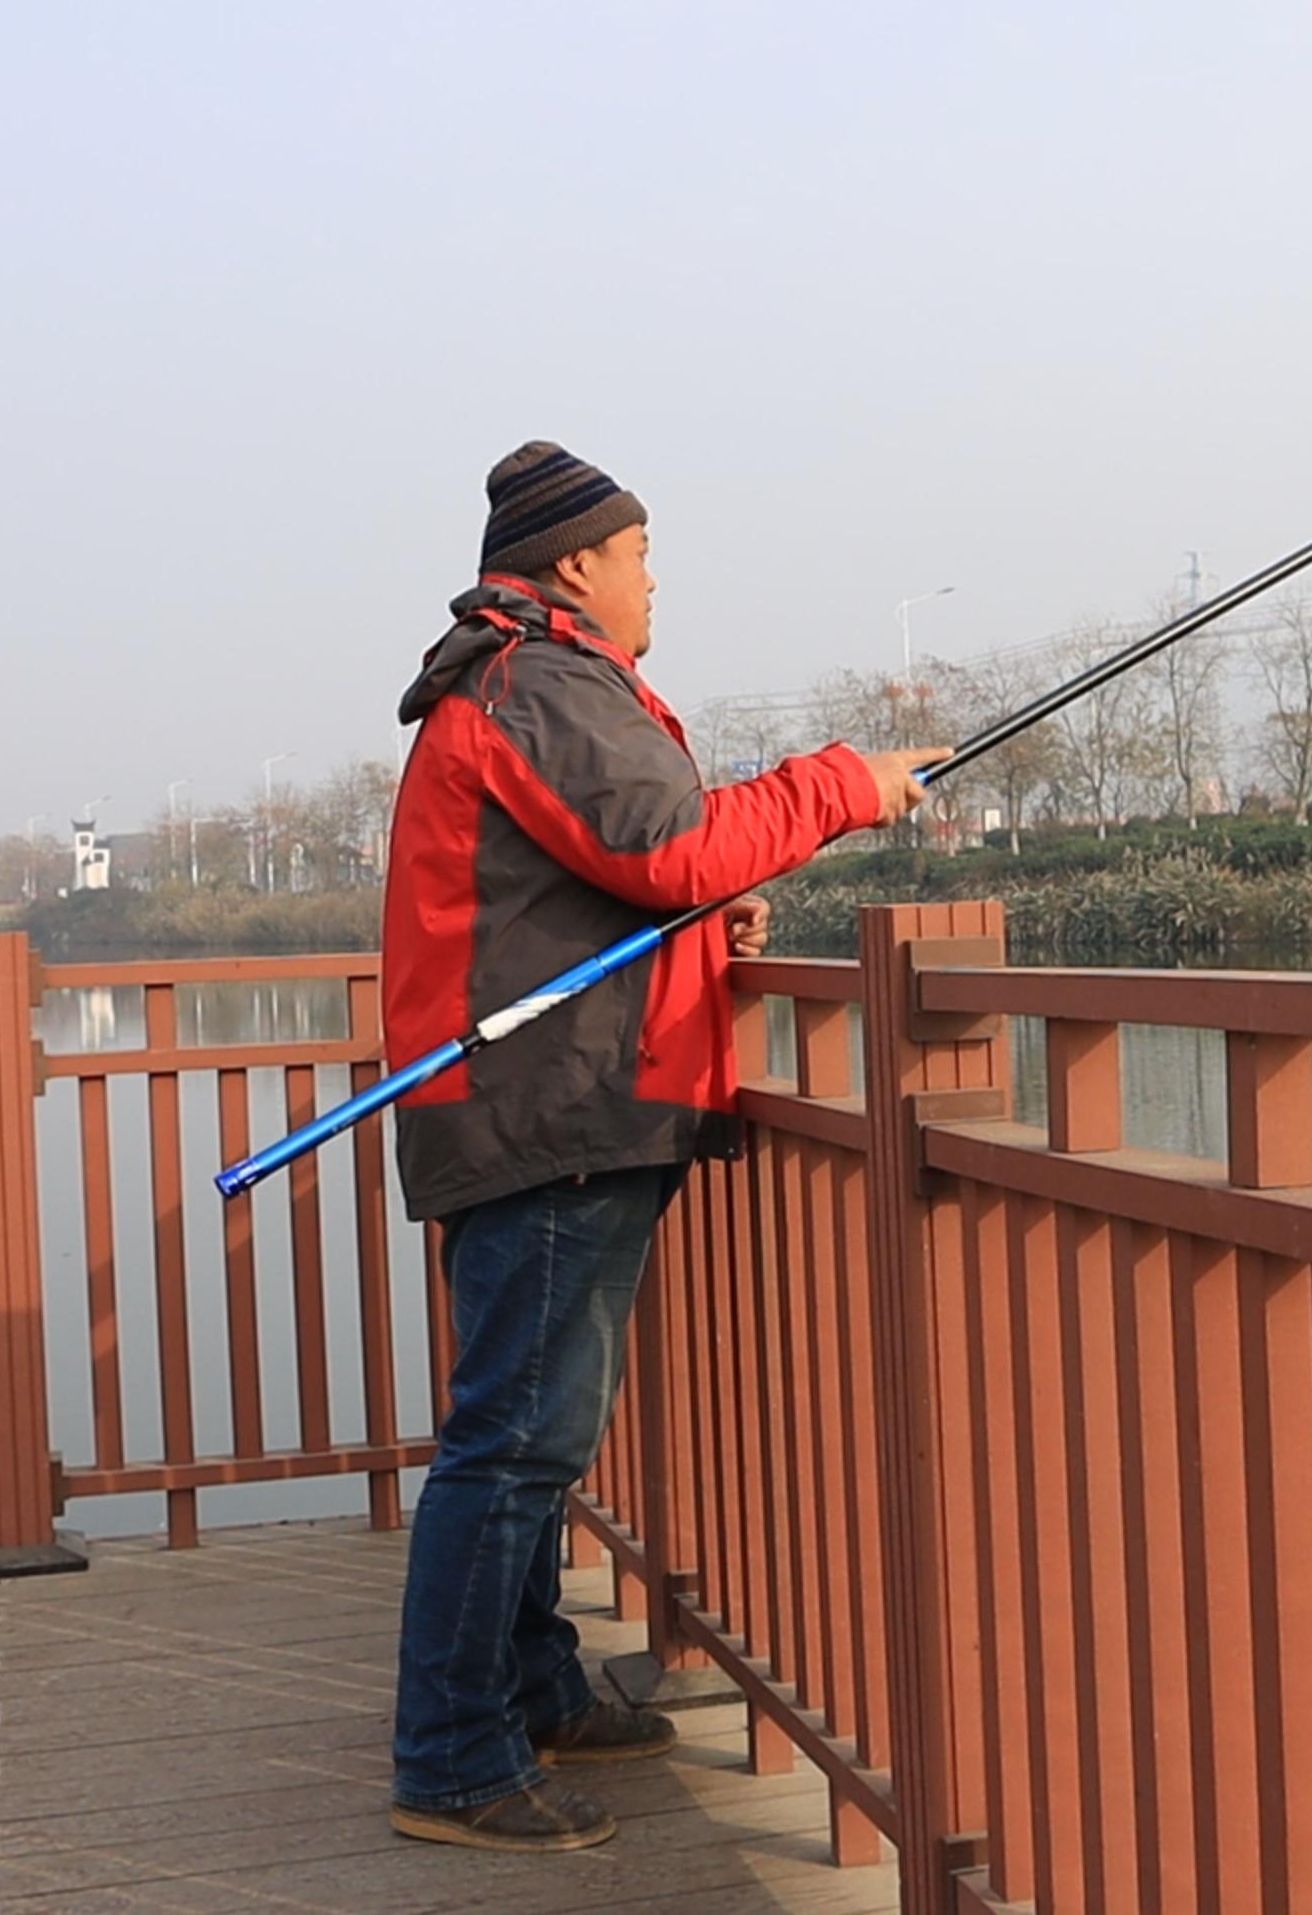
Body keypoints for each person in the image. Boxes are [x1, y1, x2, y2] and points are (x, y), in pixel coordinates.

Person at [379, 440, 943, 1852]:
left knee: (525, 1435)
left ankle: (533, 1691)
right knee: (514, 1442)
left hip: (543, 1104)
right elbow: (669, 842)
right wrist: (844, 786)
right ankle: (452, 1760)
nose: (650, 578)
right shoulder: (542, 679)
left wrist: (704, 923)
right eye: (638, 553)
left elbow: (613, 880)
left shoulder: (521, 677)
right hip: (550, 1113)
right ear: (577, 563)